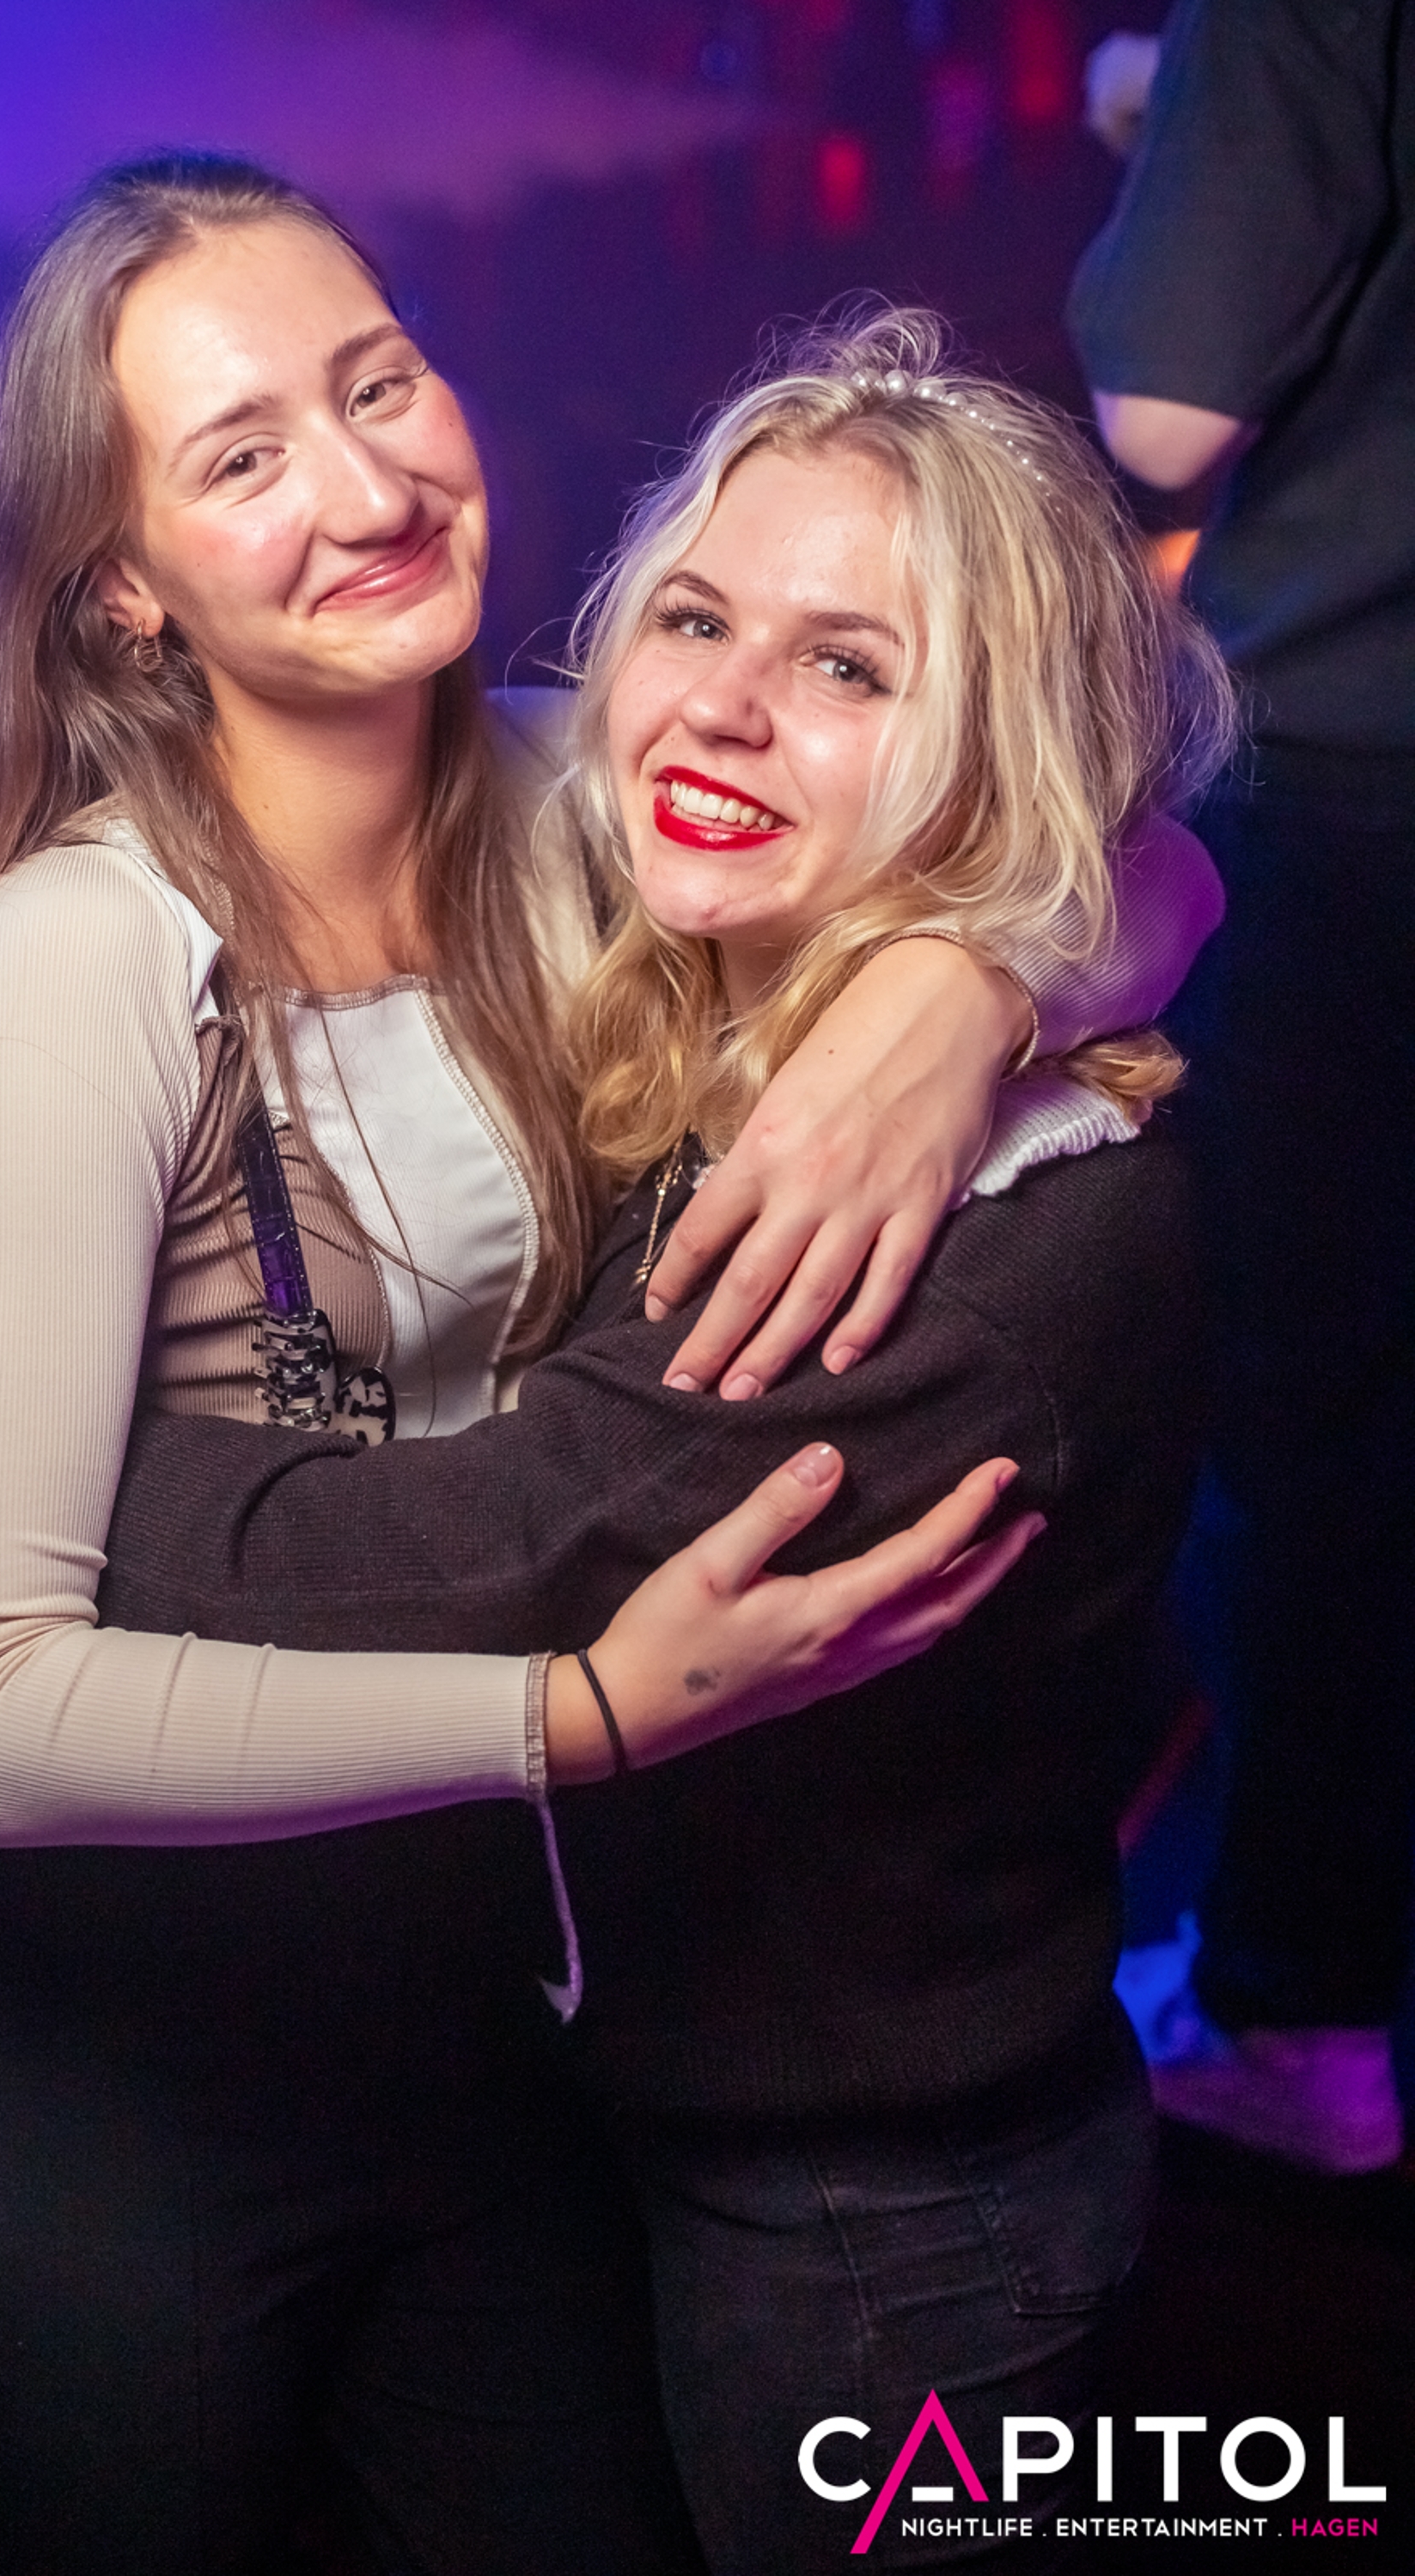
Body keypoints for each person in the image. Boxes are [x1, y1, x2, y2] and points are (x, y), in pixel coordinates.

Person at [0, 159, 1218, 2573]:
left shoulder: (578, 803)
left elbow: (1098, 830)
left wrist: (969, 988)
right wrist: (575, 1714)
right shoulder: (89, 956)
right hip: (108, 2064)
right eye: (243, 454)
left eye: (378, 383)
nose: (367, 482)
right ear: (122, 585)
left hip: (491, 2015)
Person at [1069, 0, 1415, 2174]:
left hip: (1367, 772)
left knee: (1314, 1417)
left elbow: (1168, 405)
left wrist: (1162, 130)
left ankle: (1295, 2017)